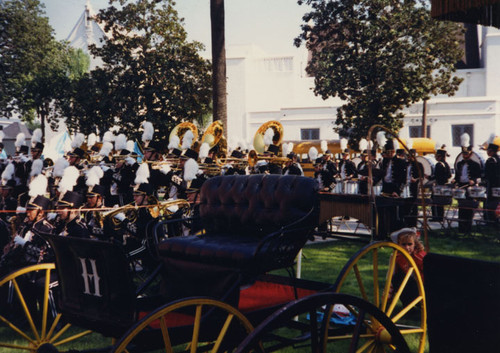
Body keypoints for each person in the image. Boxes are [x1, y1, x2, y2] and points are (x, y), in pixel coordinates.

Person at [390, 227, 426, 309]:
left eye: (410, 244)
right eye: (403, 244)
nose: (407, 247)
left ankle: (420, 304)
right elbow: (392, 276)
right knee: (397, 278)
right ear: (398, 244)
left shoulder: (420, 256)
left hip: (423, 287)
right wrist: (388, 299)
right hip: (410, 285)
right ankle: (407, 306)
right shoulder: (398, 257)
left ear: (415, 244)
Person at [451, 140, 482, 233]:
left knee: (469, 209)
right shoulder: (459, 164)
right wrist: (455, 180)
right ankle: (461, 228)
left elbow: (479, 177)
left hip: (470, 188)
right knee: (461, 208)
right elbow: (457, 176)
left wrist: (474, 180)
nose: (464, 155)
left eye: (466, 153)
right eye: (463, 153)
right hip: (461, 187)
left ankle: (467, 229)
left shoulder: (475, 164)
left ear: (470, 153)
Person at [430, 147, 452, 221]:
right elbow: (449, 175)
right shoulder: (446, 164)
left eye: (437, 156)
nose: (436, 157)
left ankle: (435, 217)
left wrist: (429, 177)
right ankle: (440, 217)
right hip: (444, 185)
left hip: (438, 185)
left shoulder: (438, 165)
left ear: (440, 156)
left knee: (435, 201)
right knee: (440, 203)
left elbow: (436, 176)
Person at [483, 140, 500, 223]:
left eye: (488, 151)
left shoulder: (490, 160)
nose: (487, 152)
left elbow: (487, 174)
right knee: (497, 202)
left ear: (492, 151)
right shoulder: (498, 159)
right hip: (498, 184)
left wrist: (484, 179)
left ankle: (489, 218)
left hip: (491, 184)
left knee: (489, 201)